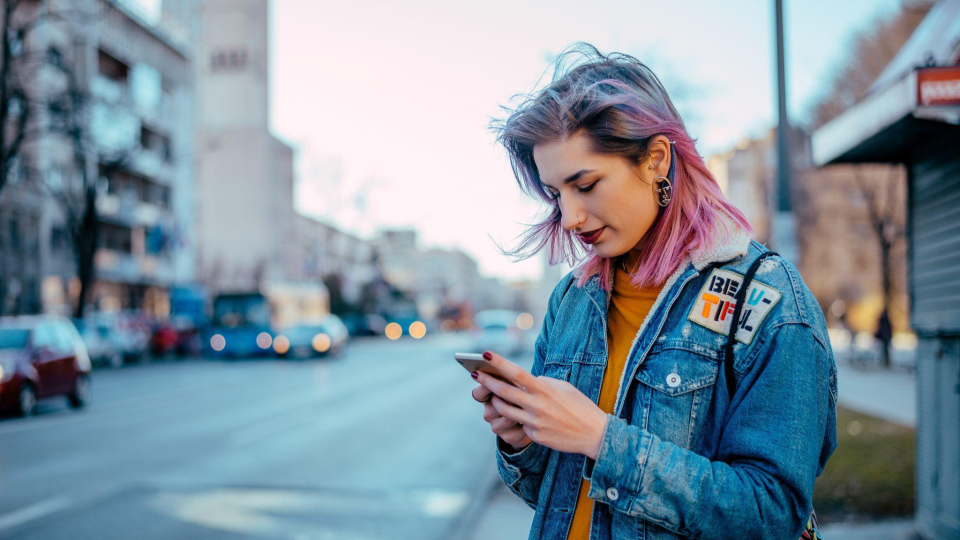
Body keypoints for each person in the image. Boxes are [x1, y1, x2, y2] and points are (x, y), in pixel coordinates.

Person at [470, 44, 838, 540]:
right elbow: (556, 495)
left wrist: (602, 440)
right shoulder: (573, 300)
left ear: (656, 160)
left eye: (586, 184)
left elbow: (772, 513)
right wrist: (522, 441)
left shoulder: (767, 301)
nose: (571, 217)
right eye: (556, 194)